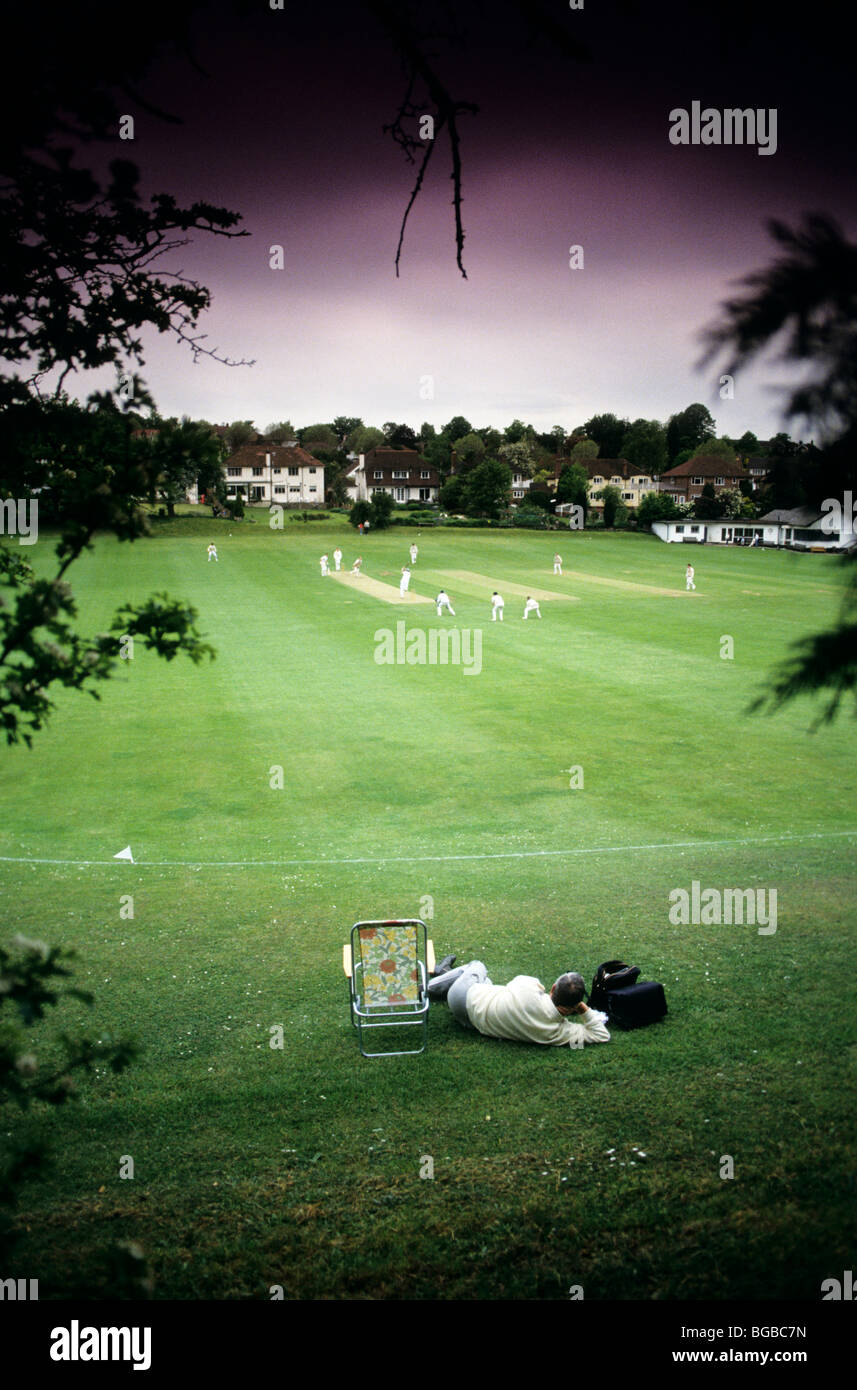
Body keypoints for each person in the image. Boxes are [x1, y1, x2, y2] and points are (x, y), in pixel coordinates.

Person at [427, 962, 610, 1050]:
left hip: (462, 998)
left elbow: (517, 983)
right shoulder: (558, 1033)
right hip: (470, 1023)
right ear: (574, 1006)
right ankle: (445, 974)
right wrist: (583, 1010)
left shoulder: (528, 987)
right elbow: (602, 1035)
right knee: (487, 981)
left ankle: (432, 984)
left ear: (553, 988)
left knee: (478, 966)